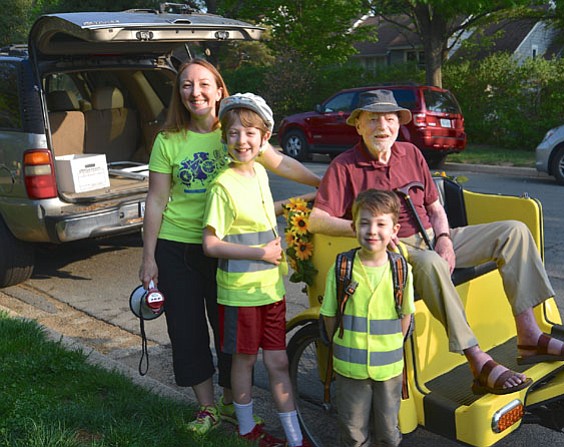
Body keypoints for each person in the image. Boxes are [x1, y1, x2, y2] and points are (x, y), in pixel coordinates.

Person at [308, 89, 564, 395]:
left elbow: (434, 207)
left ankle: (529, 335)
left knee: (514, 231)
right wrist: (368, 231)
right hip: (392, 250)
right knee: (430, 263)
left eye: (389, 119)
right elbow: (317, 220)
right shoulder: (345, 166)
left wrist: (445, 239)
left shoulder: (411, 154)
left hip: (433, 237)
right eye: (373, 119)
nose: (382, 127)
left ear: (399, 124)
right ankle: (477, 360)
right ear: (358, 125)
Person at [138, 59, 320, 436]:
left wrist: (325, 183)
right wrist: (149, 258)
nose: (195, 92)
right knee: (187, 331)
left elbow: (281, 162)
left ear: (220, 90)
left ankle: (229, 400)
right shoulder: (168, 140)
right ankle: (206, 408)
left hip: (229, 250)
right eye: (186, 85)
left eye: (204, 84)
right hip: (179, 248)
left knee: (230, 334)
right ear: (179, 93)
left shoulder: (238, 129)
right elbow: (156, 200)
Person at [202, 92, 310, 447]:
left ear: (265, 139)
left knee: (278, 363)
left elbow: (263, 214)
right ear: (225, 139)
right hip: (240, 294)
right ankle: (248, 432)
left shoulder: (261, 173)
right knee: (244, 362)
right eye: (233, 133)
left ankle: (295, 439)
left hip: (270, 291)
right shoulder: (222, 185)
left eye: (250, 133)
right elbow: (211, 244)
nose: (241, 140)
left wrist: (302, 201)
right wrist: (259, 252)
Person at [320, 189, 415, 447]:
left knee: (388, 430)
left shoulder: (400, 269)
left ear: (394, 229)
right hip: (350, 368)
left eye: (381, 224)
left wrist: (393, 346)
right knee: (353, 430)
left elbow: (406, 315)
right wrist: (342, 346)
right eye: (364, 223)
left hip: (389, 370)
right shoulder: (342, 268)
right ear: (354, 227)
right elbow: (329, 315)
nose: (372, 230)